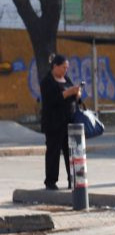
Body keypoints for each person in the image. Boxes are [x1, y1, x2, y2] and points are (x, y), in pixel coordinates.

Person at [39, 54, 82, 190]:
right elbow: (51, 100)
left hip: (68, 121)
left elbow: (73, 100)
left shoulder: (66, 78)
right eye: (63, 67)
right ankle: (51, 181)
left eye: (67, 67)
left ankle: (72, 179)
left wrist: (77, 94)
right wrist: (67, 93)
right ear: (55, 66)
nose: (65, 70)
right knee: (53, 152)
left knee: (71, 152)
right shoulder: (47, 81)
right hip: (53, 123)